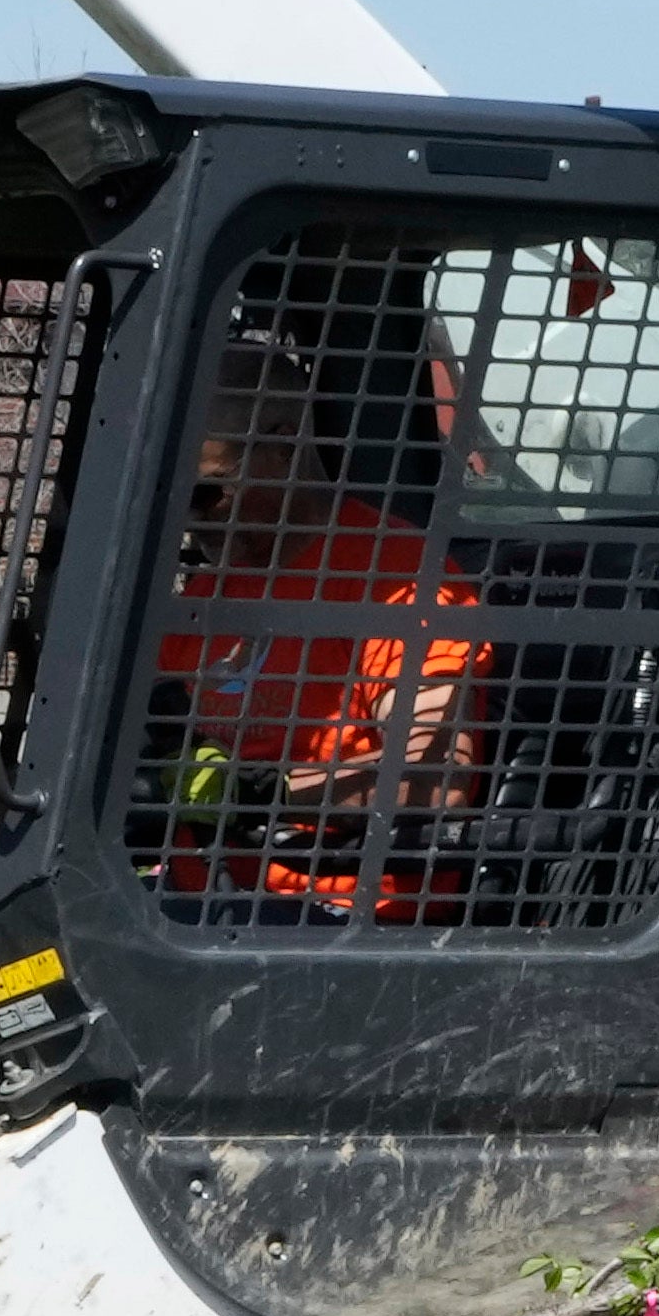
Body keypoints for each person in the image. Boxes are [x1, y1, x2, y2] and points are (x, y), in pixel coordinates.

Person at [144, 298, 494, 921]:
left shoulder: (402, 584)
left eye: (206, 492)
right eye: (171, 499)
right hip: (196, 906)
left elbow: (437, 776)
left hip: (331, 916)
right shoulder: (202, 600)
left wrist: (259, 794)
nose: (189, 520)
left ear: (281, 447)